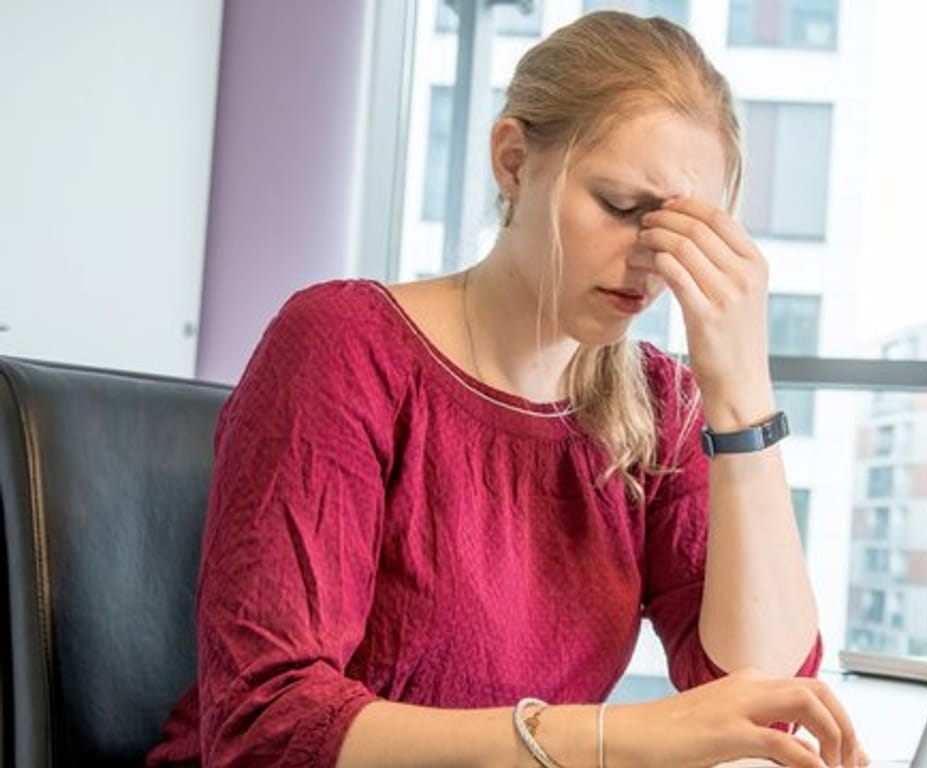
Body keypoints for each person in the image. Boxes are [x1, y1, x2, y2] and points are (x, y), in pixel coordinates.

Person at [148, 11, 867, 768]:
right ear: (514, 160)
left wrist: (741, 393)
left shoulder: (662, 407)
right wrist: (607, 738)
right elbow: (265, 723)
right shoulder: (343, 344)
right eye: (623, 209)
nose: (653, 262)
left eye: (687, 231)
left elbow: (765, 704)